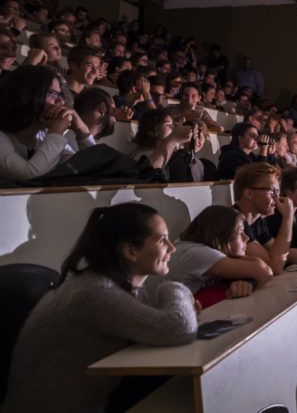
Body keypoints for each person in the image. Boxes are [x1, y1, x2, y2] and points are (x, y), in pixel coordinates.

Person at [4, 203, 197, 412]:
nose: (172, 247)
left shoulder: (118, 288)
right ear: (131, 251)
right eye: (162, 240)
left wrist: (174, 307)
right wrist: (175, 289)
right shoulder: (95, 292)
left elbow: (163, 323)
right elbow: (179, 327)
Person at [165, 205, 272, 309]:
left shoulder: (190, 245)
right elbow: (264, 272)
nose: (247, 237)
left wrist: (247, 282)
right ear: (220, 236)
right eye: (240, 232)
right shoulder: (198, 253)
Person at [0, 65, 92, 182]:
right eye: (53, 93)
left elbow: (86, 167)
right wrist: (56, 132)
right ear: (26, 94)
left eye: (60, 95)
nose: (61, 101)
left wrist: (82, 131)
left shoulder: (43, 136)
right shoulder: (2, 136)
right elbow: (28, 174)